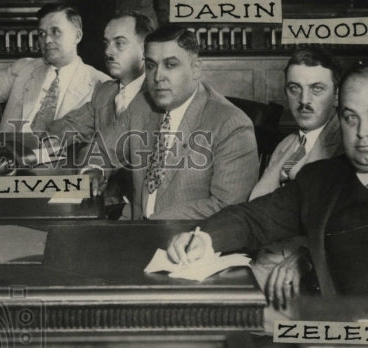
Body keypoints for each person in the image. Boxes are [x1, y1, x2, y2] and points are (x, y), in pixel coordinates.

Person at [168, 66, 368, 301]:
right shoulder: (319, 180)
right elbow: (252, 218)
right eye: (351, 118)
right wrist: (203, 238)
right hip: (351, 336)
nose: (362, 132)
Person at [84, 25, 258, 220]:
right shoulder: (142, 104)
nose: (158, 77)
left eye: (170, 65)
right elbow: (102, 148)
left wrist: (155, 223)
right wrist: (95, 170)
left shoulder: (232, 125)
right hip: (133, 229)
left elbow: (228, 207)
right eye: (151, 66)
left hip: (189, 242)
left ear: (195, 69)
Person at [248, 48, 345, 309]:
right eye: (294, 88)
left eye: (316, 89)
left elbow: (353, 226)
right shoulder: (288, 143)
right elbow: (258, 207)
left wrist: (307, 257)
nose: (304, 100)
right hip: (263, 259)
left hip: (308, 278)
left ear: (336, 96)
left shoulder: (348, 146)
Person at [35, 11, 154, 219]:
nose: (108, 52)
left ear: (146, 49)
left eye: (119, 43)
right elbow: (69, 125)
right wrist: (52, 144)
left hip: (144, 210)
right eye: (106, 43)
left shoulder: (159, 94)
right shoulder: (105, 92)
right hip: (103, 204)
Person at [0, 3, 110, 133]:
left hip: (60, 168)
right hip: (7, 164)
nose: (47, 40)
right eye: (41, 34)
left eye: (55, 32)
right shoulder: (23, 68)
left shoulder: (102, 85)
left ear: (77, 36)